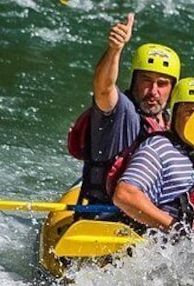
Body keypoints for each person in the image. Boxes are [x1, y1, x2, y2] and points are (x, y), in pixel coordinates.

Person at [71, 13, 180, 207]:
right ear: (134, 81)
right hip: (103, 214)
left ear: (173, 90)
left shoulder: (171, 123)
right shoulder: (121, 111)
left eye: (162, 84)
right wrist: (115, 50)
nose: (153, 91)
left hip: (145, 214)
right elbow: (103, 88)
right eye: (146, 80)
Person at [112, 78, 194, 232]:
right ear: (174, 114)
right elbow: (125, 195)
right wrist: (176, 229)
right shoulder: (158, 147)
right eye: (190, 112)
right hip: (164, 242)